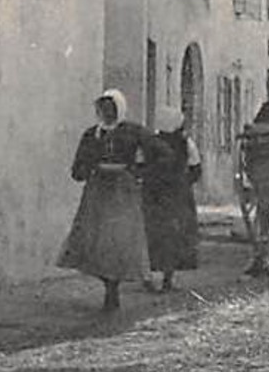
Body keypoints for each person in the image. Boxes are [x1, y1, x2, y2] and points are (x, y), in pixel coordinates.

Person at [57, 89, 154, 311]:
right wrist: (90, 167)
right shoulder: (92, 135)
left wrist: (139, 173)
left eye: (111, 109)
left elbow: (157, 154)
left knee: (118, 240)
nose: (107, 113)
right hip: (98, 193)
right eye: (103, 109)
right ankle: (108, 286)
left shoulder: (133, 132)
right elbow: (77, 169)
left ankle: (113, 289)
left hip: (123, 193)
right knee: (97, 242)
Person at [140, 106, 201, 293]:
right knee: (174, 235)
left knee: (155, 233)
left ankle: (150, 277)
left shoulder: (149, 143)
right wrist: (183, 183)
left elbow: (140, 165)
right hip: (176, 194)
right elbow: (196, 168)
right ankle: (167, 278)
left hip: (154, 193)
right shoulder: (185, 143)